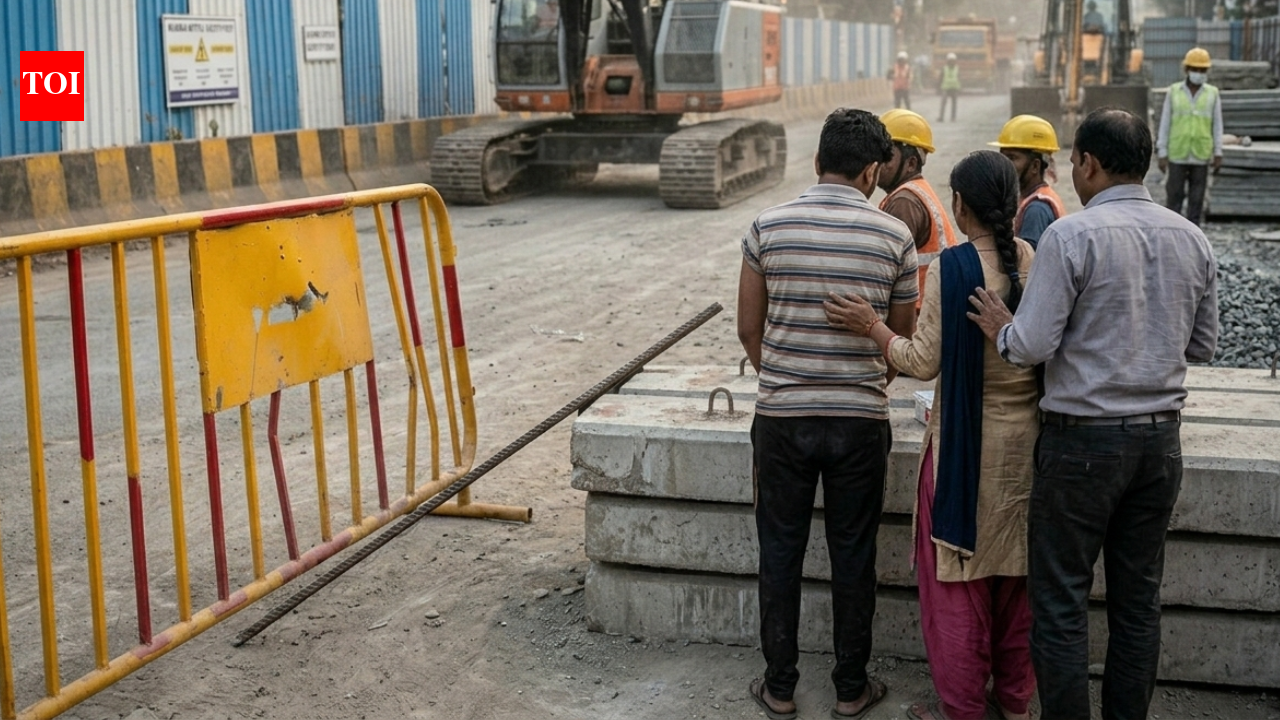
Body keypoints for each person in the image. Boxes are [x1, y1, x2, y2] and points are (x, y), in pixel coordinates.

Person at [968, 108, 1219, 719]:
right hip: (1160, 446)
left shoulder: (1071, 236)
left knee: (1060, 603)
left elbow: (1030, 347)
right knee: (1138, 603)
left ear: (1088, 163)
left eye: (1075, 161)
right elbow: (1203, 346)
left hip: (1081, 445)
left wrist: (1004, 328)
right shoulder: (1192, 237)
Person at [825, 150, 1039, 720]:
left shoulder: (953, 268)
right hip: (1027, 454)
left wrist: (869, 325)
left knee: (959, 589)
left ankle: (965, 708)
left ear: (961, 205)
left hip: (964, 456)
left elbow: (920, 362)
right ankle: (1016, 702)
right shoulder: (1032, 259)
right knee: (1018, 580)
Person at [737, 107, 918, 720]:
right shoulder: (895, 239)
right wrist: (859, 381)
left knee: (780, 553)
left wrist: (789, 377)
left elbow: (747, 328)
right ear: (873, 171)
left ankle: (780, 689)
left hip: (782, 420)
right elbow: (900, 341)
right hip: (861, 423)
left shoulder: (767, 226)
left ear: (817, 162)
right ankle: (850, 690)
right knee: (854, 555)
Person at [878, 109, 959, 310]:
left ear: (911, 163)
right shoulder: (916, 191)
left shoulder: (904, 202)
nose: (877, 163)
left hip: (916, 316)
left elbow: (883, 275)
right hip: (930, 311)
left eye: (885, 156)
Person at [1157, 47, 1223, 226]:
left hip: (1201, 154)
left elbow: (1217, 124)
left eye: (1202, 70)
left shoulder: (1212, 94)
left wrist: (1218, 152)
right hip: (1177, 153)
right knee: (1174, 199)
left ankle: (1193, 236)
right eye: (1195, 69)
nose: (1199, 73)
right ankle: (1172, 233)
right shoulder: (1174, 92)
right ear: (1186, 70)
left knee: (1197, 201)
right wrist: (1162, 152)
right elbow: (1165, 123)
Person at [989, 114, 1066, 248]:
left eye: (1012, 158)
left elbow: (1027, 264)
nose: (1004, 164)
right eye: (1002, 156)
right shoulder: (1036, 197)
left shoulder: (1036, 209)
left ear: (1035, 166)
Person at [937, 53, 961, 122]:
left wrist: (960, 88)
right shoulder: (944, 68)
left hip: (954, 87)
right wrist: (938, 87)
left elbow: (959, 78)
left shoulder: (957, 68)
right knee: (943, 103)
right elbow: (940, 78)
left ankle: (953, 118)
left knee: (954, 104)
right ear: (947, 61)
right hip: (946, 87)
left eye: (953, 60)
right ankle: (941, 117)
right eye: (950, 60)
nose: (951, 62)